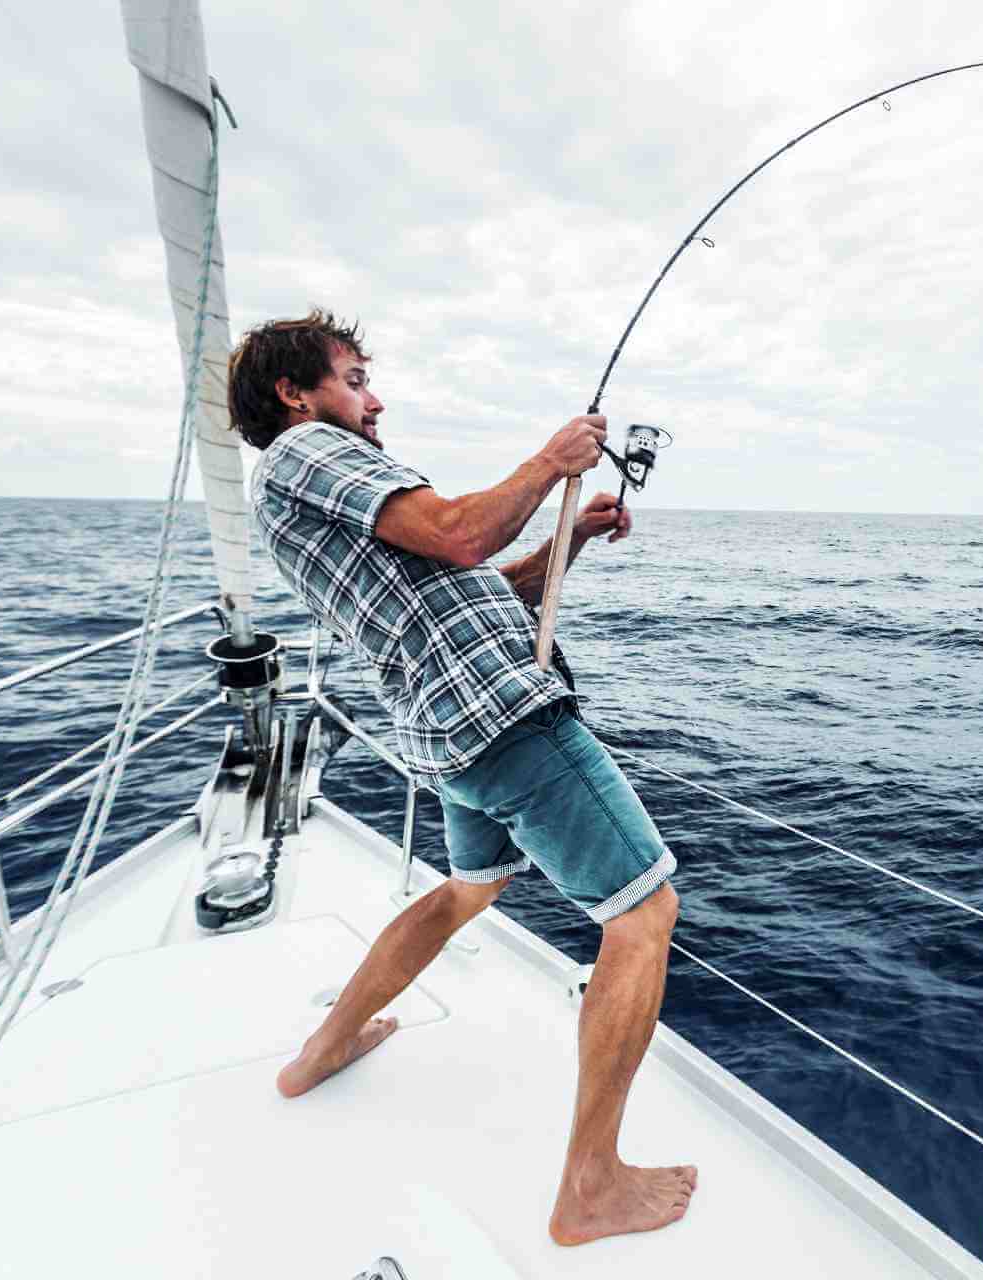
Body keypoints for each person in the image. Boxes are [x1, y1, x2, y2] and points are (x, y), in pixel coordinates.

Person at [228, 309, 694, 1246]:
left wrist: (568, 536)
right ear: (295, 393)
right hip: (503, 719)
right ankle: (590, 1185)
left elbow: (472, 584)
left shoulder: (293, 493)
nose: (374, 397)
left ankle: (323, 1050)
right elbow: (457, 534)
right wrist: (551, 461)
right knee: (643, 914)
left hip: (446, 733)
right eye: (355, 377)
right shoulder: (307, 451)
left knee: (466, 892)